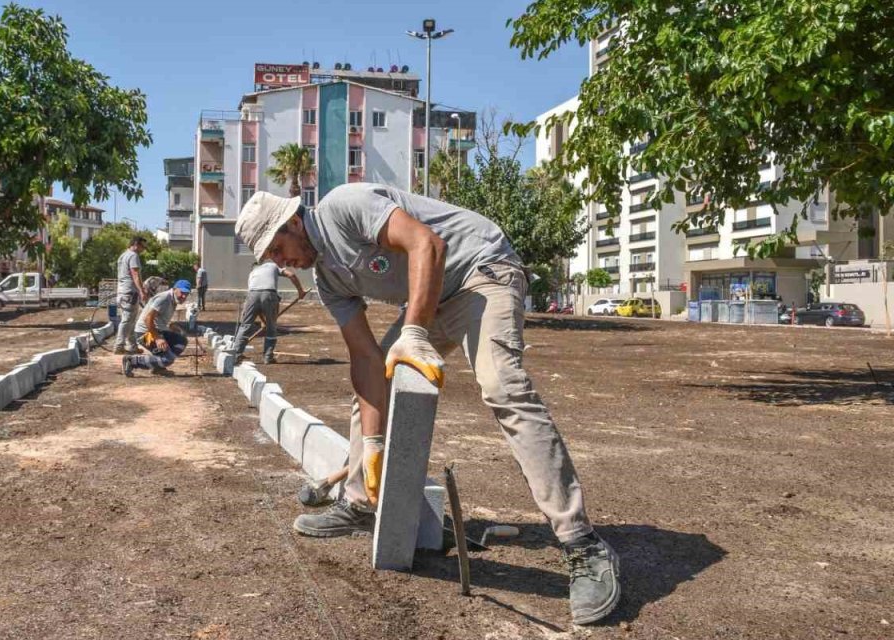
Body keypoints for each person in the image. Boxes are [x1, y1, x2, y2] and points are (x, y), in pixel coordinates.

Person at [235, 185, 621, 625]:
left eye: (278, 249)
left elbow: (427, 243)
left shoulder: (344, 206)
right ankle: (362, 501)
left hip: (481, 270)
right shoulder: (329, 281)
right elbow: (363, 358)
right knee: (374, 382)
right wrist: (376, 443)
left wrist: (414, 331)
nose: (281, 263)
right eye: (272, 259)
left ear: (294, 222)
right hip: (435, 294)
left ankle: (583, 544)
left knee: (503, 386)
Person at [229, 260, 306, 364]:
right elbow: (291, 274)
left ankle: (236, 355)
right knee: (271, 327)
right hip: (269, 295)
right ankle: (268, 357)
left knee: (245, 326)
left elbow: (257, 305)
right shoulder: (272, 265)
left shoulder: (252, 274)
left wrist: (263, 320)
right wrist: (300, 291)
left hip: (252, 296)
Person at [122, 279, 192, 376]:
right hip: (144, 334)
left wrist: (172, 327)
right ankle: (132, 361)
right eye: (182, 292)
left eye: (186, 294)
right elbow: (148, 319)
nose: (184, 296)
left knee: (181, 341)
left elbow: (159, 318)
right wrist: (158, 338)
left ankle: (158, 367)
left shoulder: (173, 299)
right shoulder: (164, 298)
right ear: (175, 289)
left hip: (156, 331)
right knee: (168, 359)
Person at [113, 236, 149, 354]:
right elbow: (135, 274)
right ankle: (119, 346)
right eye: (142, 246)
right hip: (130, 293)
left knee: (130, 320)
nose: (143, 249)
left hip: (122, 292)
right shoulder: (133, 256)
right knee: (128, 320)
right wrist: (141, 291)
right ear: (135, 244)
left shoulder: (123, 255)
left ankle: (132, 346)